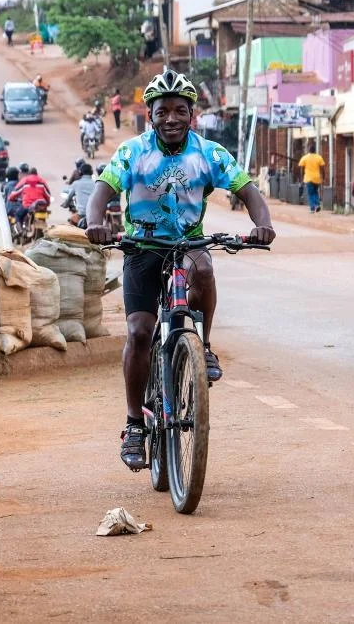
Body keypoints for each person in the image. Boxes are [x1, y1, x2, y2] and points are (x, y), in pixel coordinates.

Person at [85, 69, 276, 471]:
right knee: (138, 332)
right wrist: (96, 222)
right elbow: (101, 192)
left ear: (192, 115)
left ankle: (202, 346)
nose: (171, 118)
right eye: (162, 111)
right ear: (149, 116)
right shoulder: (132, 152)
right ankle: (135, 423)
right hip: (141, 246)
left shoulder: (209, 153)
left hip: (188, 243)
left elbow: (248, 191)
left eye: (179, 111)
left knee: (204, 269)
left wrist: (263, 225)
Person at [298, 143, 325, 213]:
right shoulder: (319, 157)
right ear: (315, 150)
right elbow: (322, 169)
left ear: (309, 150)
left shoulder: (305, 158)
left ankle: (312, 208)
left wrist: (301, 178)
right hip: (317, 178)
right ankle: (317, 204)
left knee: (310, 193)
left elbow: (301, 169)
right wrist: (323, 177)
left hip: (308, 178)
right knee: (315, 192)